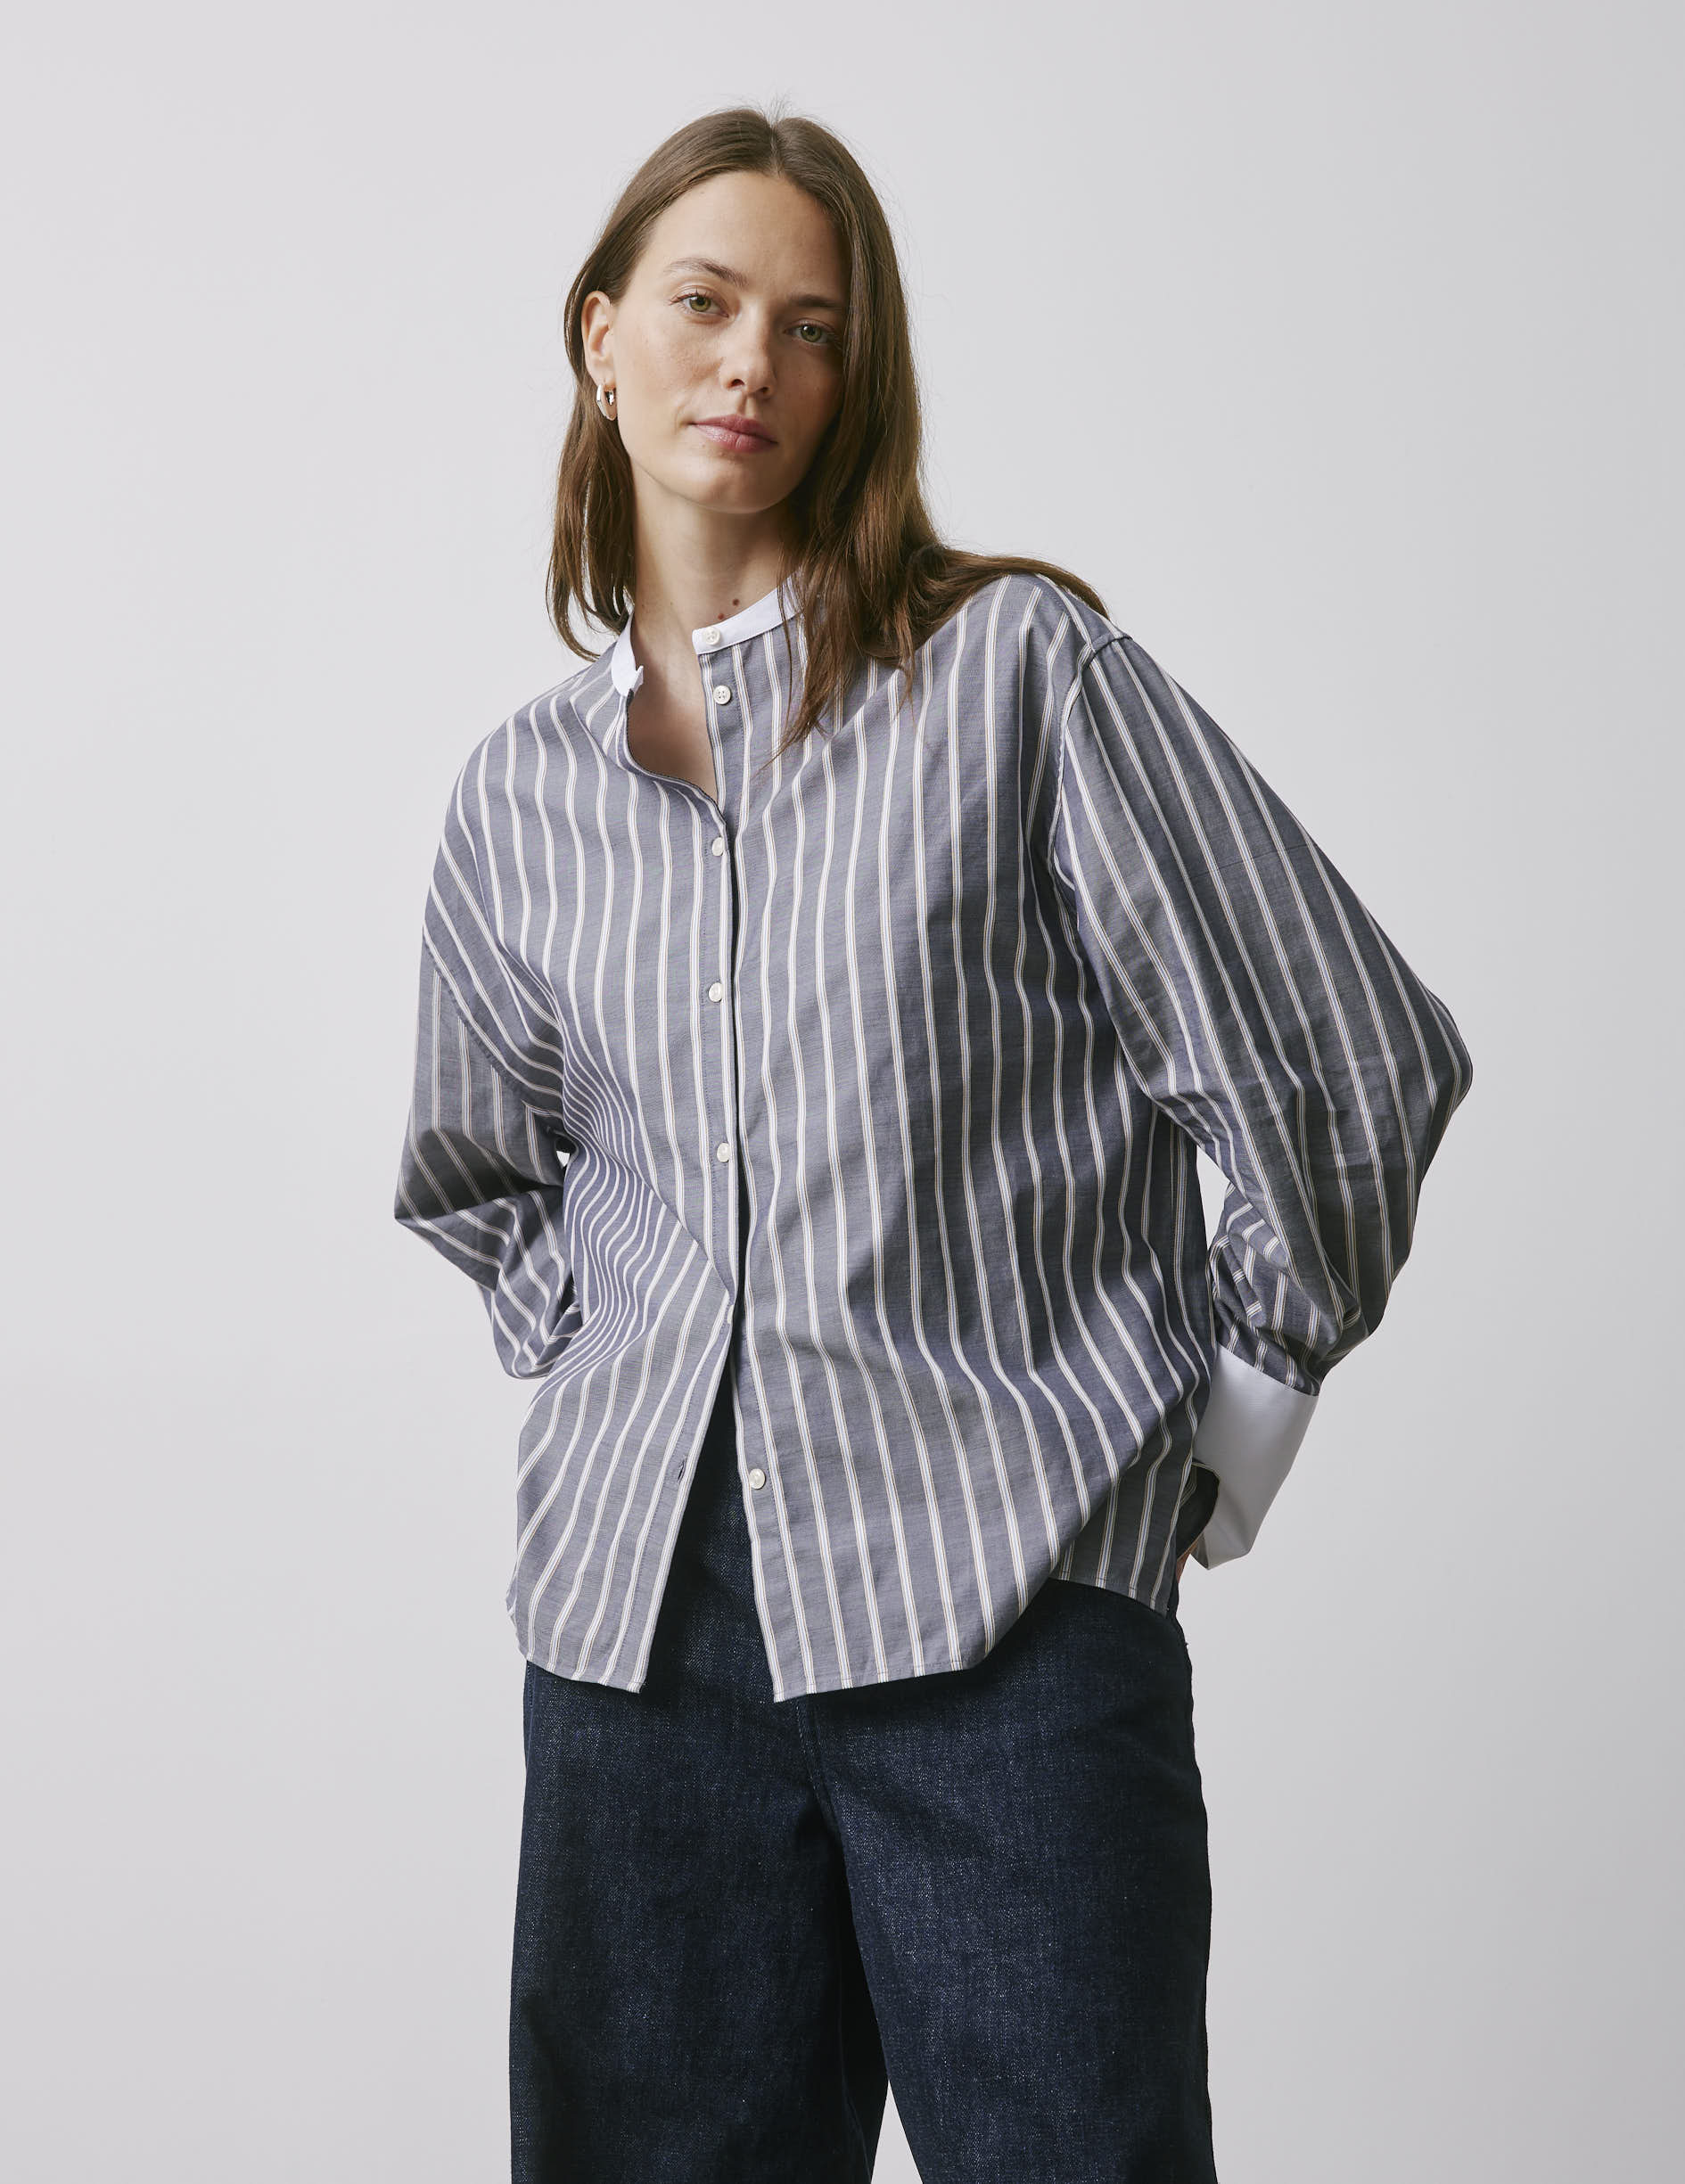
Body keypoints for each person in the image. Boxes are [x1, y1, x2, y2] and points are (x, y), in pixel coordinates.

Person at [393, 103, 1473, 2184]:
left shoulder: (1019, 680)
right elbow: (479, 1162)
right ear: (600, 337)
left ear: (855, 379)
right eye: (704, 303)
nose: (751, 362)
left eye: (812, 327)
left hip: (1007, 1621)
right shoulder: (518, 799)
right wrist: (624, 1367)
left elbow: (1340, 1050)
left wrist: (1231, 1422)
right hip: (641, 1659)